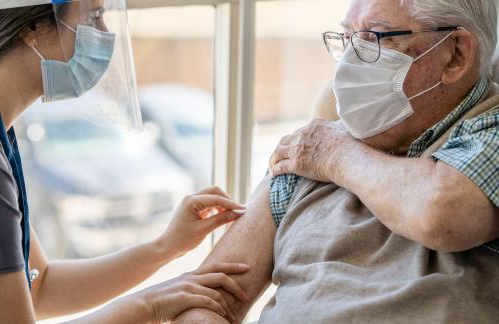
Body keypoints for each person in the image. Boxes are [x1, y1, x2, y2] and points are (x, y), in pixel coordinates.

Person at [0, 0, 252, 323]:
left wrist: (166, 247)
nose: (104, 33)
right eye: (94, 16)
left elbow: (40, 287)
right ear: (32, 29)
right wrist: (147, 308)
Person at [174, 0, 499, 323]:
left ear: (455, 54)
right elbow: (205, 298)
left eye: (374, 38)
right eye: (347, 38)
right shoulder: (311, 148)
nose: (348, 63)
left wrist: (335, 155)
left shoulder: (488, 128)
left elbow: (442, 215)